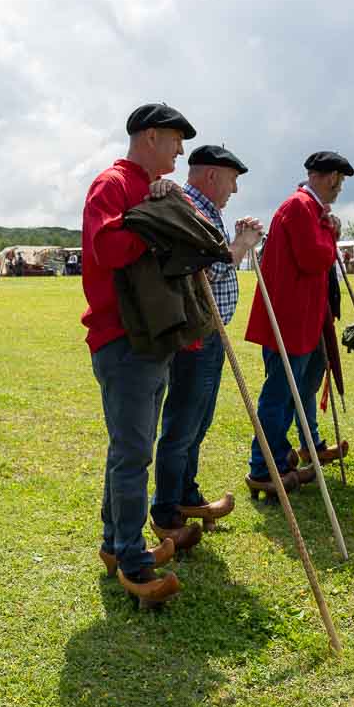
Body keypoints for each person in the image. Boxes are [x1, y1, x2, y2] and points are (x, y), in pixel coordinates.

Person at [82, 102, 201, 607]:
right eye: (176, 139)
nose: (180, 149)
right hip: (124, 338)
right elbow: (107, 249)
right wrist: (154, 214)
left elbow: (198, 241)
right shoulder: (113, 184)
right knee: (132, 453)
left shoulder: (155, 186)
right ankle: (131, 556)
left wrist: (173, 202)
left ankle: (117, 543)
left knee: (131, 449)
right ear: (150, 137)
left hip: (151, 339)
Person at [150, 145, 262, 538]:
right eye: (232, 179)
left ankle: (185, 493)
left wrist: (238, 238)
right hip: (194, 336)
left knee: (197, 422)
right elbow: (204, 272)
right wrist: (242, 245)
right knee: (182, 424)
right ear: (212, 175)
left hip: (210, 332)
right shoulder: (186, 207)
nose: (234, 189)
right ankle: (166, 510)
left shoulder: (205, 209)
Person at [243, 151, 352, 494]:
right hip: (288, 321)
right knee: (278, 395)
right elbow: (314, 257)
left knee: (288, 394)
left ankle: (278, 456)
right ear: (326, 176)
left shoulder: (310, 209)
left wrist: (328, 229)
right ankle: (262, 468)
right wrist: (331, 236)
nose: (339, 186)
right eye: (337, 178)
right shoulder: (300, 207)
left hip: (300, 319)